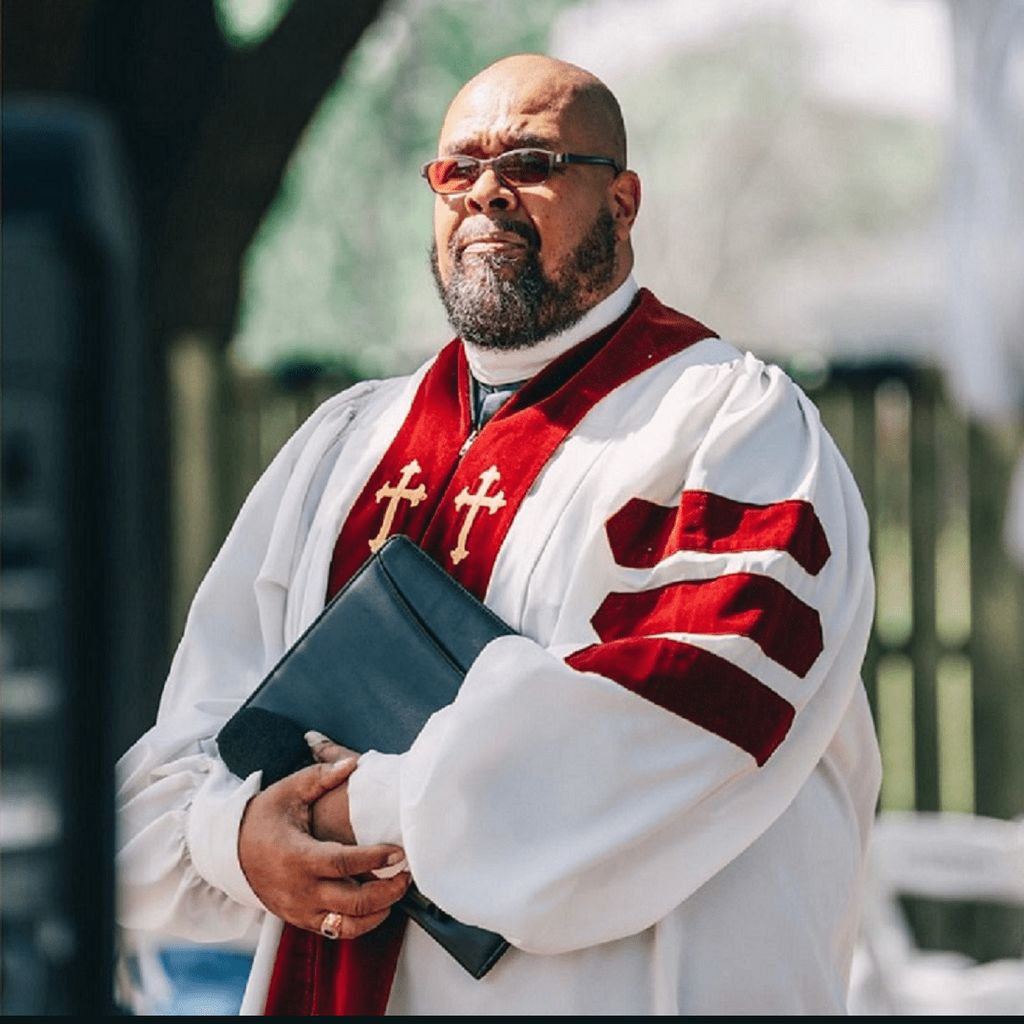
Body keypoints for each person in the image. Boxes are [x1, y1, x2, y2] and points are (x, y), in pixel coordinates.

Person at [116, 53, 882, 1014]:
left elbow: (687, 713)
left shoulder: (726, 428)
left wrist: (360, 811)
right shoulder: (343, 447)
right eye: (456, 169)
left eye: (530, 161)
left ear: (623, 200)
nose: (486, 193)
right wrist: (241, 841)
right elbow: (180, 765)